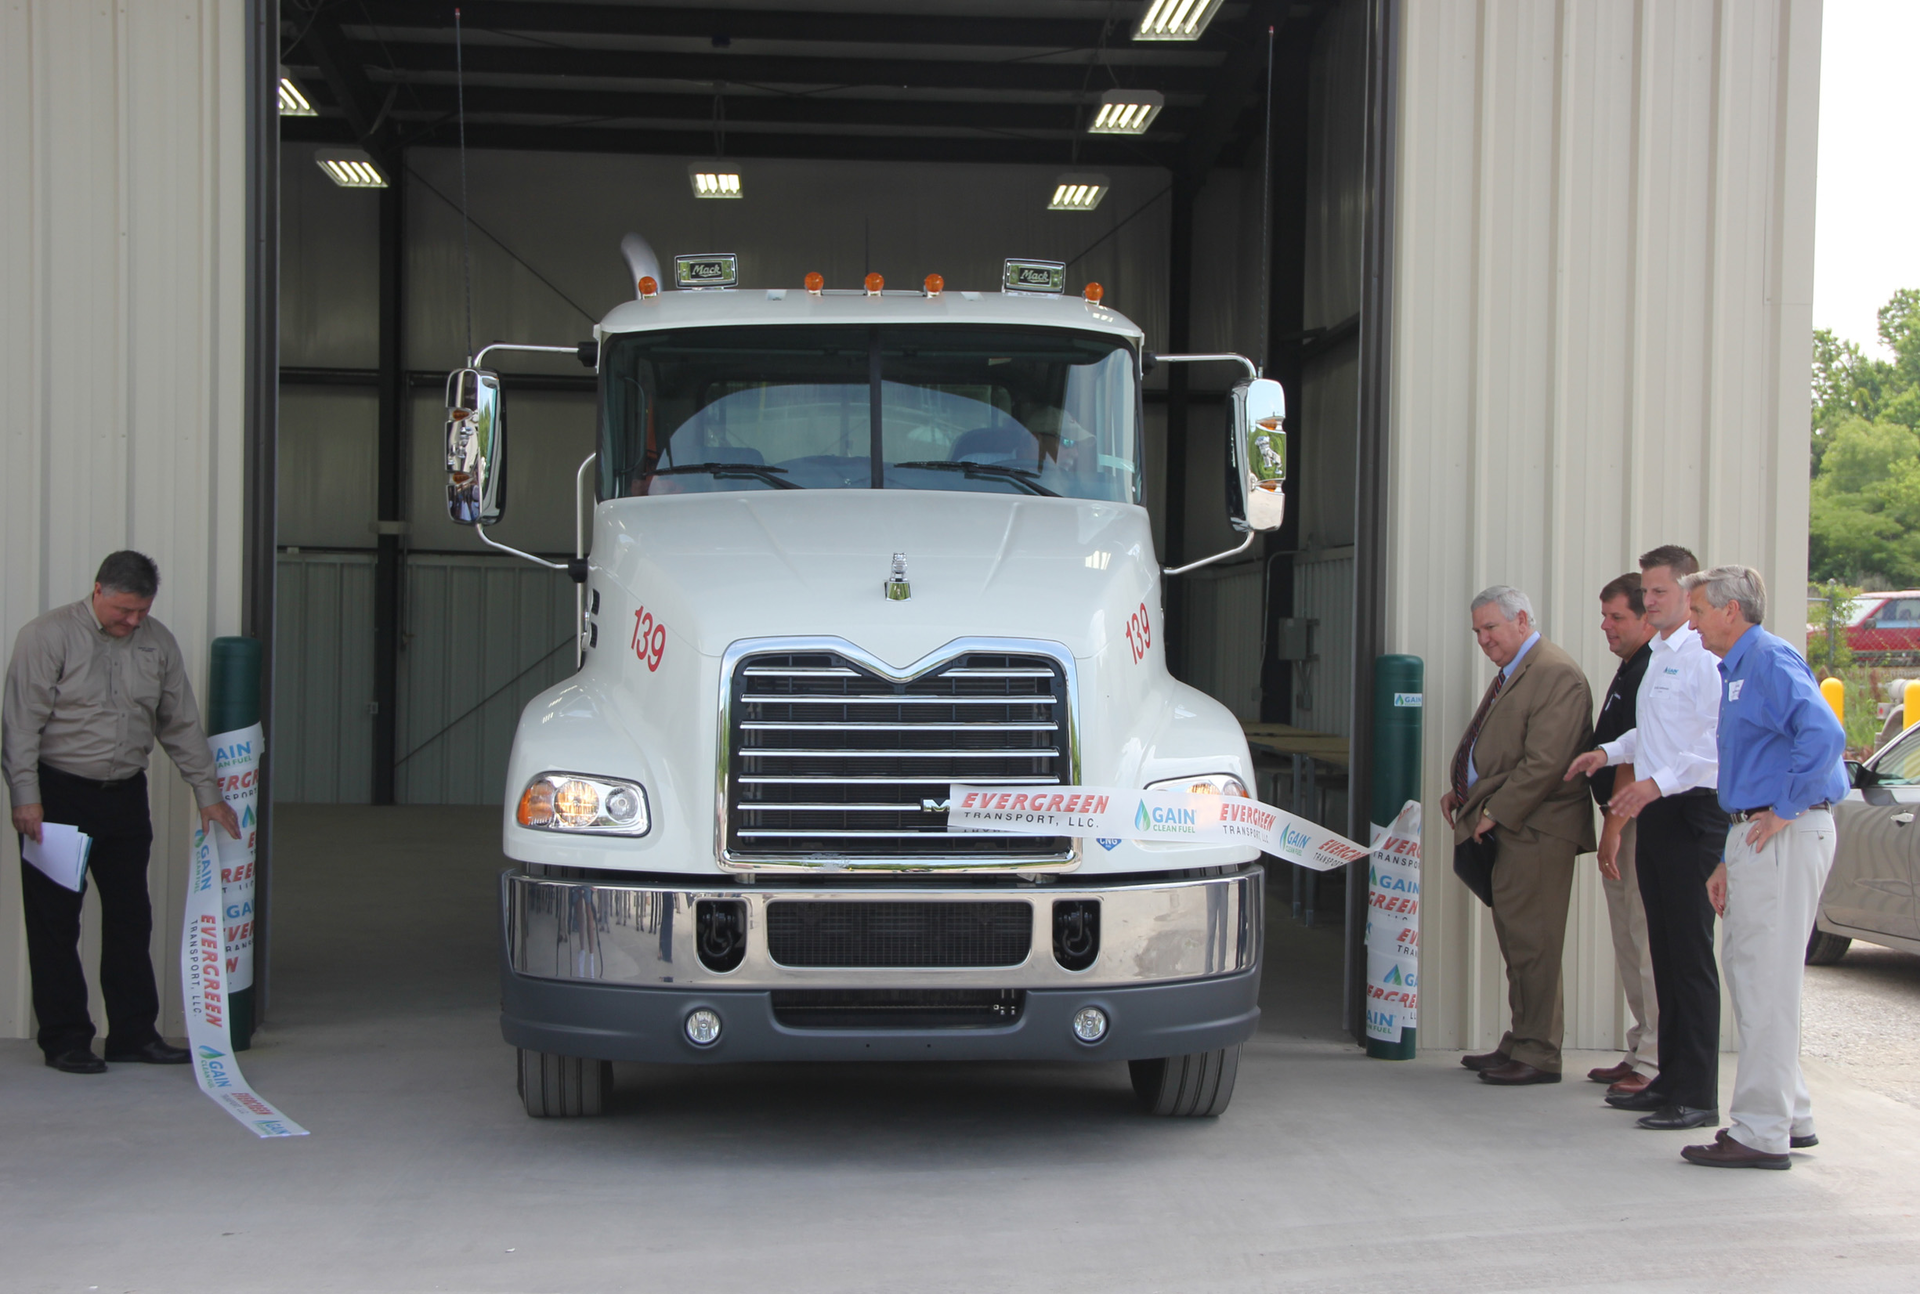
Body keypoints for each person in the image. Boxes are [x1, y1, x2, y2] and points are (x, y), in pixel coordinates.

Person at [4, 552, 240, 1074]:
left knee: (132, 916)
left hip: (126, 796)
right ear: (98, 591)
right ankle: (65, 1039)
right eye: (125, 611)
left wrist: (208, 793)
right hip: (58, 798)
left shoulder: (157, 643)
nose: (133, 621)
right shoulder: (45, 637)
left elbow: (179, 723)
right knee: (55, 922)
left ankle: (133, 1034)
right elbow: (21, 724)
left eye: (142, 611)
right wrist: (25, 795)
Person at [1678, 566, 1848, 1170]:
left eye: (1696, 611)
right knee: (1758, 974)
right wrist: (1730, 851)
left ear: (1731, 611)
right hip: (1756, 833)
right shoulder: (1740, 669)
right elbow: (1752, 767)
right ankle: (1790, 1114)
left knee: (1764, 979)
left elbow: (1824, 733)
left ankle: (1759, 1131)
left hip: (1783, 832)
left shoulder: (1768, 662)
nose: (1691, 622)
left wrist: (1785, 805)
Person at [1566, 545, 1727, 1132]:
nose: (1649, 601)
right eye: (1647, 591)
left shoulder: (1705, 658)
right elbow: (1653, 731)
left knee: (1688, 960)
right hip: (1659, 813)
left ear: (1689, 593)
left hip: (1691, 815)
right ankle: (1670, 1082)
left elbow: (1712, 746)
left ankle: (1698, 1093)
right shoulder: (1660, 654)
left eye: (1658, 592)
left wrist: (1653, 785)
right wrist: (1608, 752)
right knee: (1662, 950)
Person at [1442, 586, 1596, 1086]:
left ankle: (1539, 1051)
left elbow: (1545, 763)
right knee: (1517, 937)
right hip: (1511, 824)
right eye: (1478, 632)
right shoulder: (1518, 671)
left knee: (1534, 941)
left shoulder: (1556, 674)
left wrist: (1493, 812)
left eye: (1491, 628)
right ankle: (1521, 1040)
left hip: (1537, 828)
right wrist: (1463, 793)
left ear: (1523, 620)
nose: (1483, 640)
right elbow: (1503, 749)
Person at [1585, 572, 1660, 1096]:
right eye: (1605, 616)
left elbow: (1636, 756)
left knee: (1646, 938)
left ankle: (1655, 1058)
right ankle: (1639, 1045)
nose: (1607, 627)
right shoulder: (1629, 666)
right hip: (1620, 818)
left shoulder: (1652, 667)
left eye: (1618, 617)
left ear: (1646, 618)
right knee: (1627, 940)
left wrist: (1614, 826)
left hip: (1636, 822)